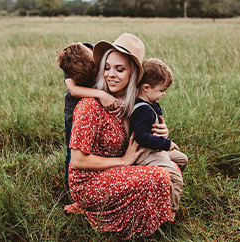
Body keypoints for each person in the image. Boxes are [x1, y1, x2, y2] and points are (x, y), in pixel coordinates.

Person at [63, 33, 172, 240]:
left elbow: (145, 132)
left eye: (119, 69)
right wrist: (123, 161)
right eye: (107, 67)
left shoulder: (129, 103)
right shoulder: (89, 106)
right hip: (89, 182)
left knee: (172, 165)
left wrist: (162, 131)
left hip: (116, 172)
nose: (110, 75)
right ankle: (136, 226)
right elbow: (77, 161)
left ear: (133, 75)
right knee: (159, 176)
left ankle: (135, 214)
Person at [130, 58, 188, 223]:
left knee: (182, 159)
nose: (164, 94)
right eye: (162, 90)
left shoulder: (148, 103)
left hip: (154, 149)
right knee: (176, 177)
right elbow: (141, 136)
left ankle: (164, 191)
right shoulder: (142, 110)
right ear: (146, 88)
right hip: (146, 153)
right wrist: (166, 143)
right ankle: (169, 212)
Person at [56, 42, 118, 190]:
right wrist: (100, 94)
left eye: (95, 69)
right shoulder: (69, 63)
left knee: (97, 148)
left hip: (98, 112)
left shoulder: (92, 53)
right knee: (73, 152)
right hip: (74, 112)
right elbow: (73, 90)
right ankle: (70, 187)